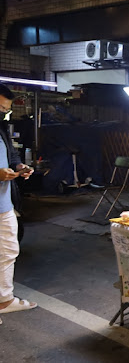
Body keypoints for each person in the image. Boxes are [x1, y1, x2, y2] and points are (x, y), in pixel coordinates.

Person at [0, 84, 36, 325]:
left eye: (6, 110)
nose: (3, 113)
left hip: (4, 203)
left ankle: (4, 299)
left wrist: (19, 167)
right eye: (0, 108)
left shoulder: (1, 125)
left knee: (8, 251)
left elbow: (10, 156)